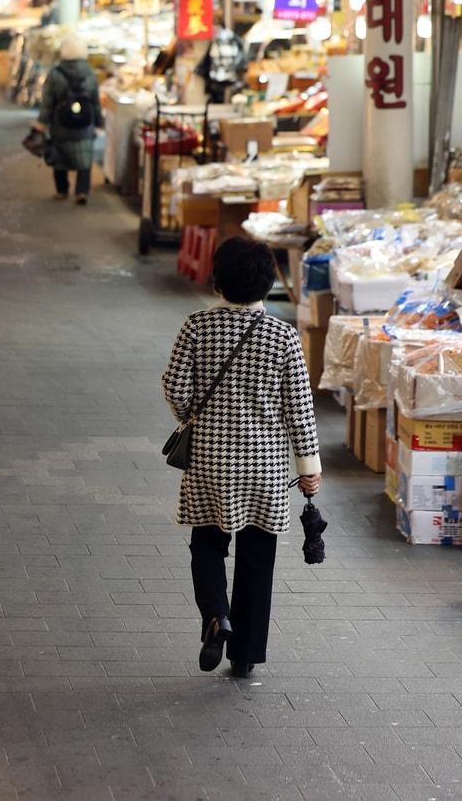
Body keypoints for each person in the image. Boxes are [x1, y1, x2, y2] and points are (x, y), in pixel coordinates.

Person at [162, 237, 321, 678]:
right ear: (268, 284)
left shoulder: (196, 326)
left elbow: (174, 387)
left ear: (218, 280)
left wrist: (194, 413)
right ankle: (246, 654)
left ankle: (216, 615)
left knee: (208, 544)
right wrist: (309, 468)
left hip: (211, 461)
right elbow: (300, 408)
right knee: (257, 557)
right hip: (265, 466)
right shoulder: (284, 337)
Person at [34, 35, 102, 204]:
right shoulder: (90, 74)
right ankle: (82, 192)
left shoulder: (55, 74)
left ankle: (62, 190)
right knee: (85, 157)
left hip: (61, 123)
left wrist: (42, 122)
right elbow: (95, 102)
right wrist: (99, 122)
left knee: (60, 157)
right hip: (85, 124)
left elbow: (47, 102)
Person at [195, 13, 247, 103]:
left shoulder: (223, 38)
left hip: (222, 76)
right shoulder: (227, 37)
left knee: (219, 100)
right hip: (224, 76)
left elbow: (221, 59)